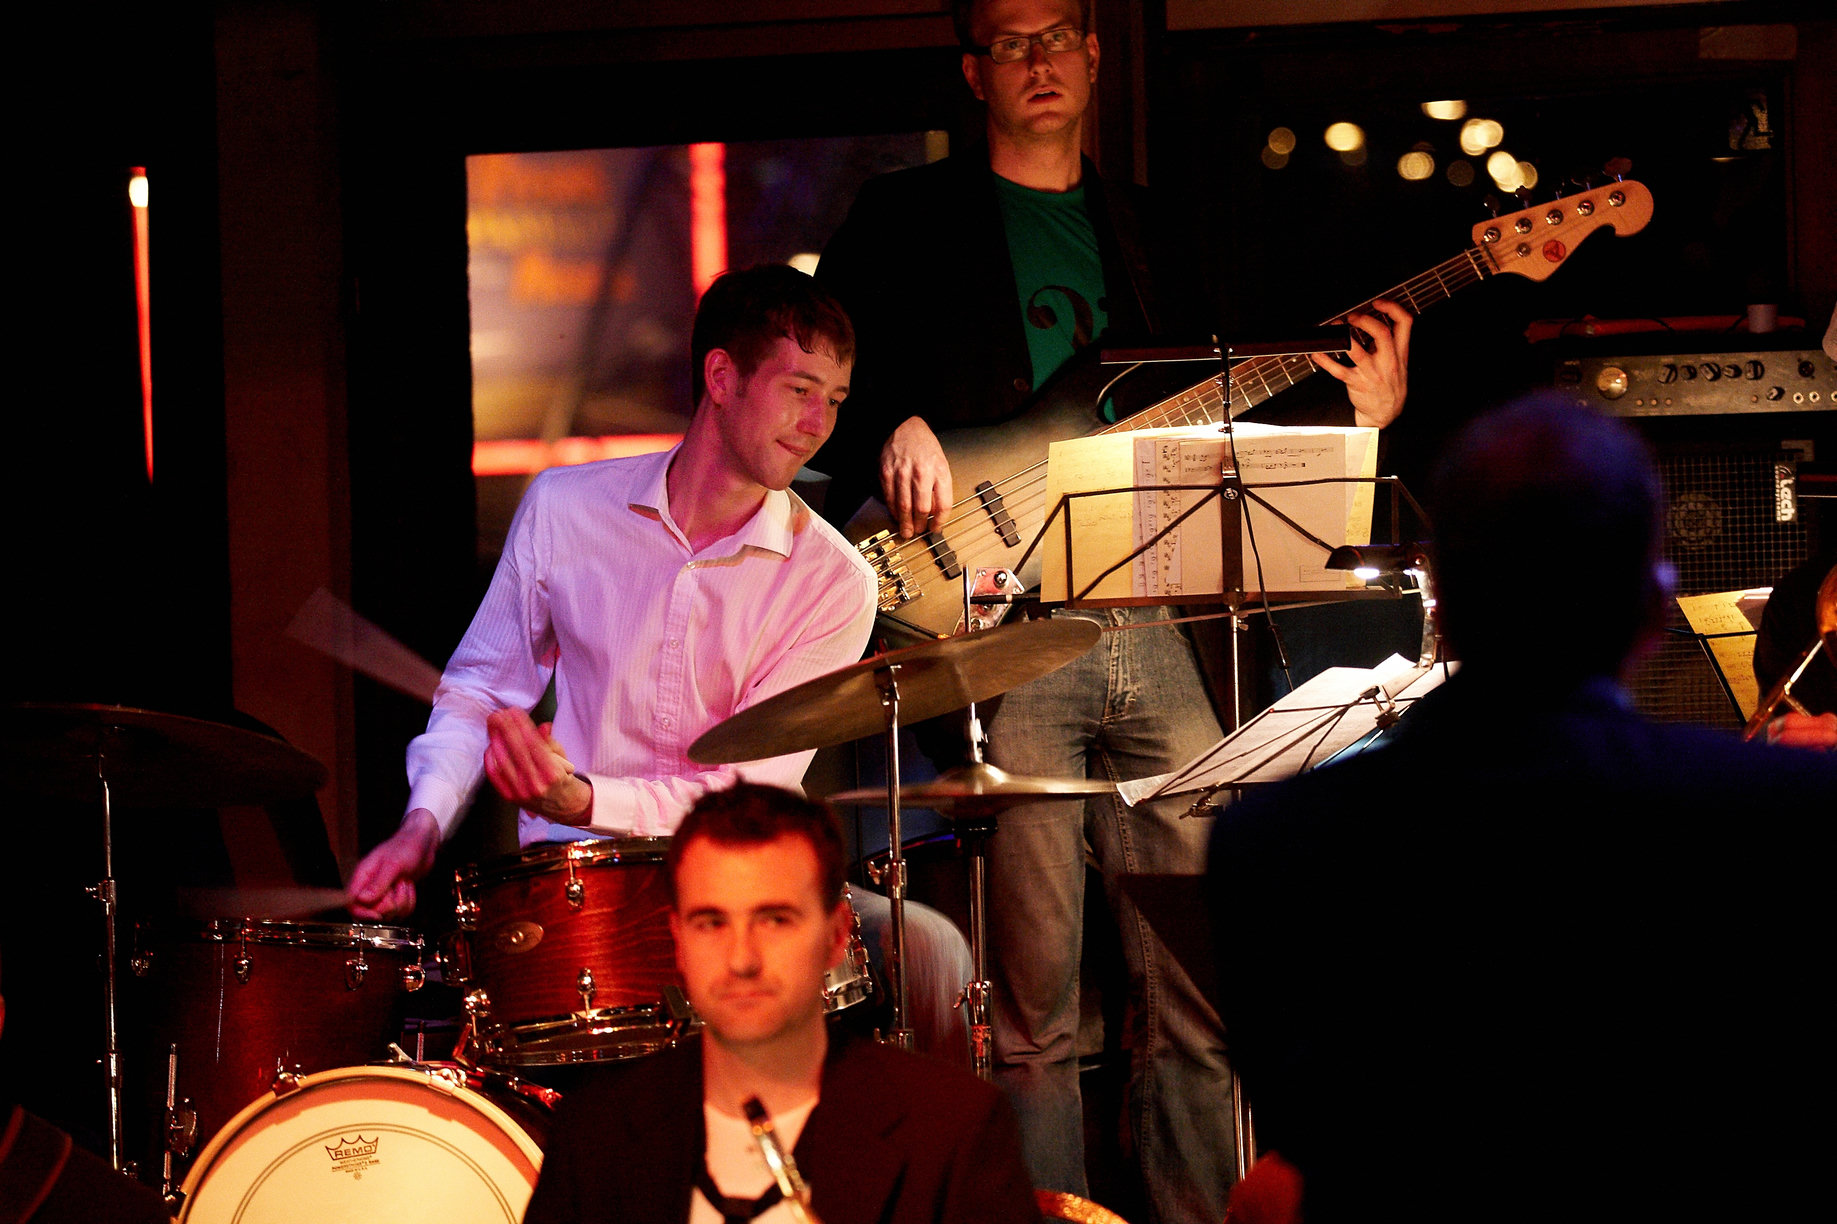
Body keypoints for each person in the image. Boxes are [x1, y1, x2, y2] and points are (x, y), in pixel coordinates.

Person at [810, 2, 1410, 1219]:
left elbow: (1223, 402)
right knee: (1033, 1007)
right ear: (974, 71)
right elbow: (824, 374)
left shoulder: (1155, 227)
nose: (1038, 61)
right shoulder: (903, 216)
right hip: (1004, 625)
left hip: (1155, 611)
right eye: (1011, 42)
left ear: (1093, 58)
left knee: (1198, 984)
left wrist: (1364, 417)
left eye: (1058, 38)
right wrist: (888, 424)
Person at [1209, 396, 1837, 1223]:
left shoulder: (1267, 842)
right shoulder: (1786, 813)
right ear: (1653, 606)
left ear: (1439, 596)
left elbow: (1309, 1128)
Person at [347, 264, 971, 1055]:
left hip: (739, 884)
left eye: (836, 400)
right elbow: (479, 691)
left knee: (931, 951)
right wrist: (423, 824)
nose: (818, 424)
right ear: (722, 377)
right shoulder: (564, 508)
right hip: (576, 883)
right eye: (798, 390)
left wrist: (580, 797)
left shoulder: (834, 579)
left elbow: (742, 794)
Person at [523, 783, 1039, 1224]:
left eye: (775, 920)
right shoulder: (593, 1133)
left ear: (837, 936)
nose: (741, 959)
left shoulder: (955, 1130)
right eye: (712, 923)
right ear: (677, 941)